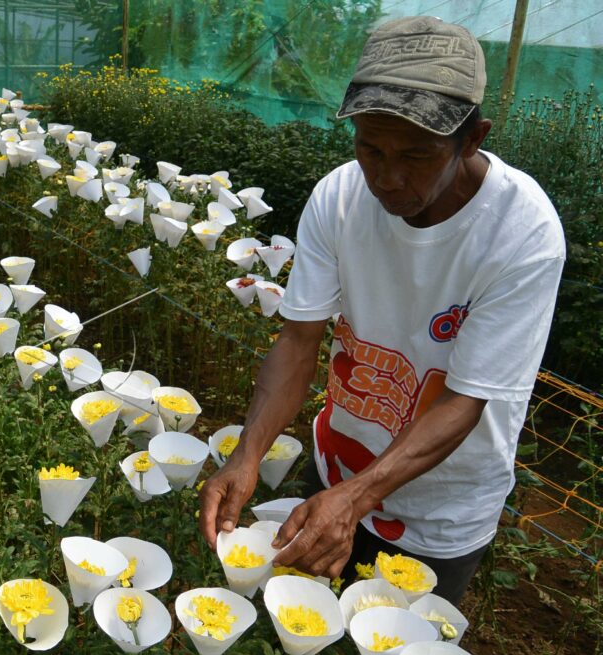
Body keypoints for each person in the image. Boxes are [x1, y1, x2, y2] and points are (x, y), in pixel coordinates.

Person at [199, 16, 565, 604]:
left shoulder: (521, 233)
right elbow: (298, 342)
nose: (387, 178)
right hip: (336, 470)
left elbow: (463, 401)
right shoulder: (340, 197)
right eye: (370, 148)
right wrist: (246, 455)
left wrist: (355, 499)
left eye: (417, 155)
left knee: (393, 654)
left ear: (473, 139)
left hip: (439, 514)